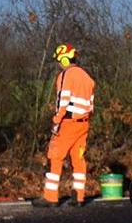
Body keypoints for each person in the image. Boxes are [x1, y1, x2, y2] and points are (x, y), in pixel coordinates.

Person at [38, 43, 95, 207]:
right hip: (83, 124)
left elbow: (62, 101)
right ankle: (78, 197)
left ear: (63, 59)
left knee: (55, 156)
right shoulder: (87, 77)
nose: (58, 65)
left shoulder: (66, 75)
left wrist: (56, 121)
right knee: (78, 159)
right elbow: (91, 105)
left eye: (59, 61)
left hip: (68, 123)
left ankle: (50, 198)